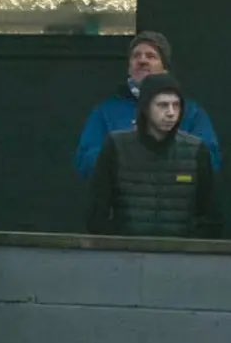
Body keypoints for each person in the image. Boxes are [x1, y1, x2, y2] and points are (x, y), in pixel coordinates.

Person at [88, 74, 222, 238]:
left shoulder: (196, 150)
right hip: (126, 253)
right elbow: (97, 212)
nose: (171, 113)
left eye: (176, 105)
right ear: (145, 107)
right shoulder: (116, 146)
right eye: (163, 105)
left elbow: (210, 216)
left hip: (181, 255)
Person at [75, 31, 220, 179]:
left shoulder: (191, 112)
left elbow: (210, 160)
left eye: (151, 56)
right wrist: (127, 157)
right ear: (129, 67)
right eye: (136, 56)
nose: (142, 60)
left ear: (165, 68)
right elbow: (85, 161)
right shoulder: (105, 112)